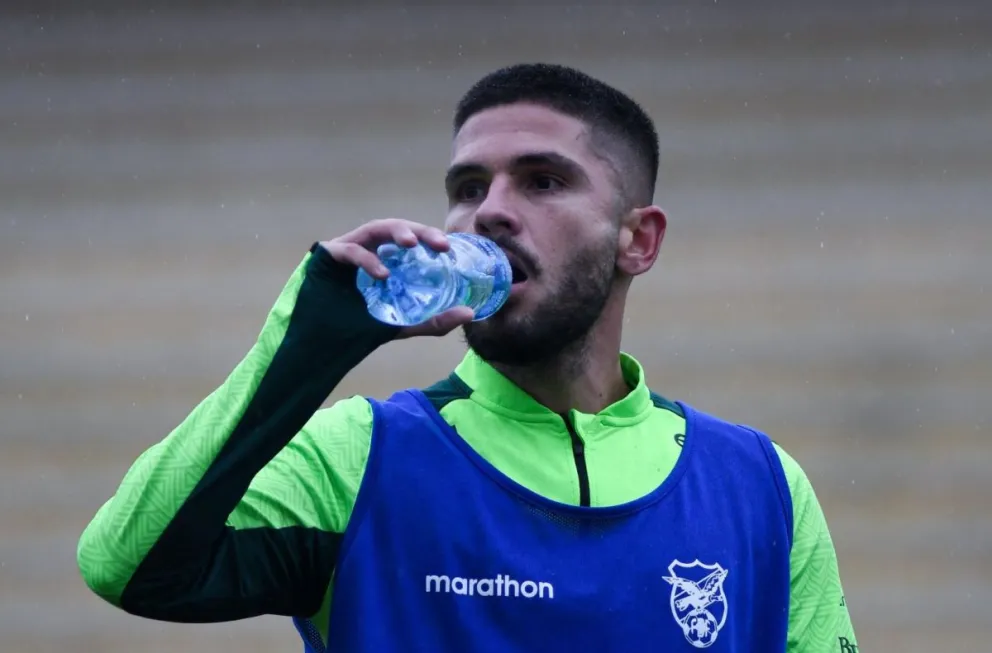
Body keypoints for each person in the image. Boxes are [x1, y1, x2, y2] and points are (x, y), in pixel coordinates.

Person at [77, 63, 858, 652]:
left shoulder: (759, 485)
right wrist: (303, 349)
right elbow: (127, 565)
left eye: (544, 181)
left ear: (637, 239)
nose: (489, 211)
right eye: (468, 186)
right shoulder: (360, 459)